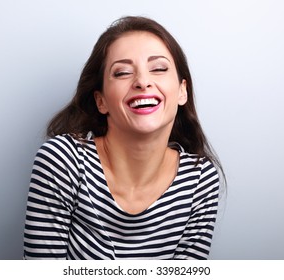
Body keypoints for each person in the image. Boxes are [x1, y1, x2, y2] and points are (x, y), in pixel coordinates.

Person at [24, 16, 224, 260]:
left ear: (183, 91)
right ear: (101, 100)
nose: (142, 82)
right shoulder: (62, 161)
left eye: (159, 68)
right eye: (123, 72)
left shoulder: (200, 180)